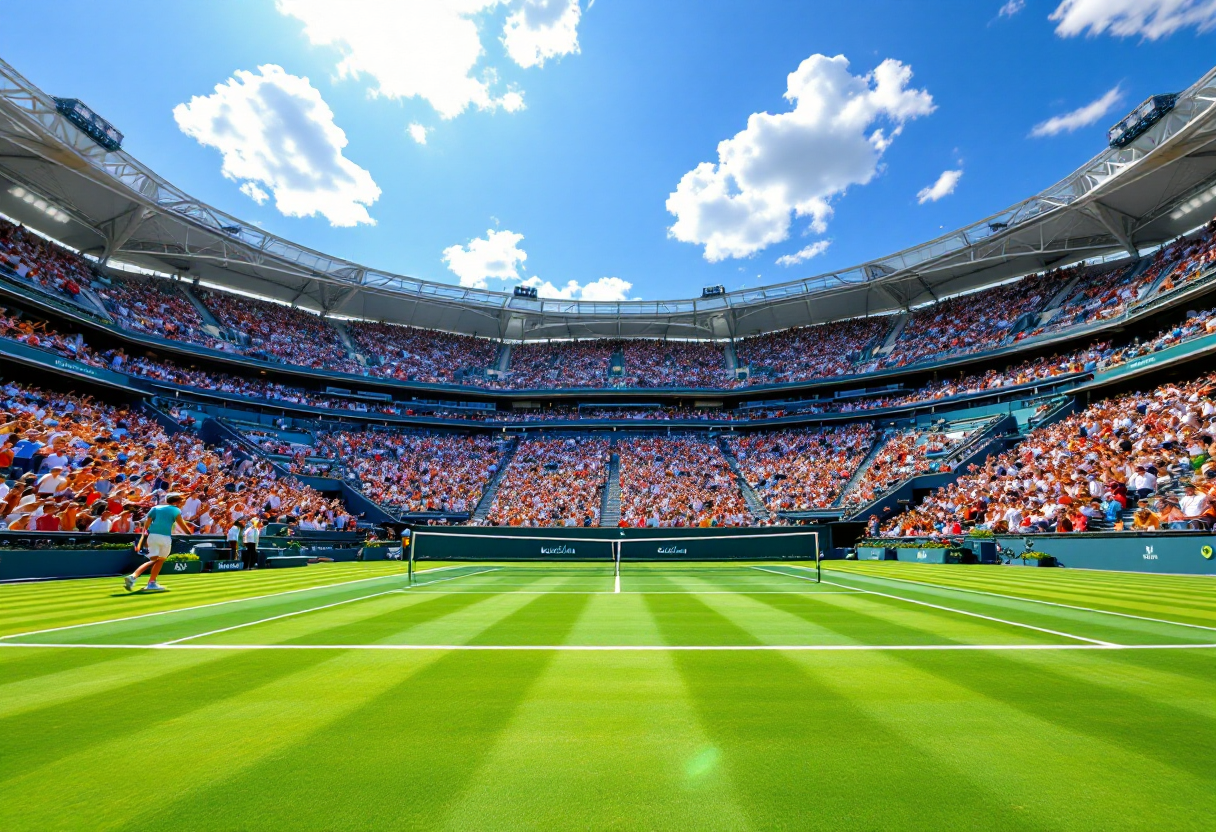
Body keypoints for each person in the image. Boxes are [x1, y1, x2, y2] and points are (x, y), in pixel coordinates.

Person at [125, 494, 192, 592]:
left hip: (152, 537)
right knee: (160, 560)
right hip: (164, 538)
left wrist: (144, 539)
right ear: (176, 502)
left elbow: (146, 526)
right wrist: (190, 534)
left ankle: (134, 577)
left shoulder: (155, 508)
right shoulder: (176, 510)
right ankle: (150, 582)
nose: (182, 504)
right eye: (181, 502)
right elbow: (183, 526)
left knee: (153, 560)